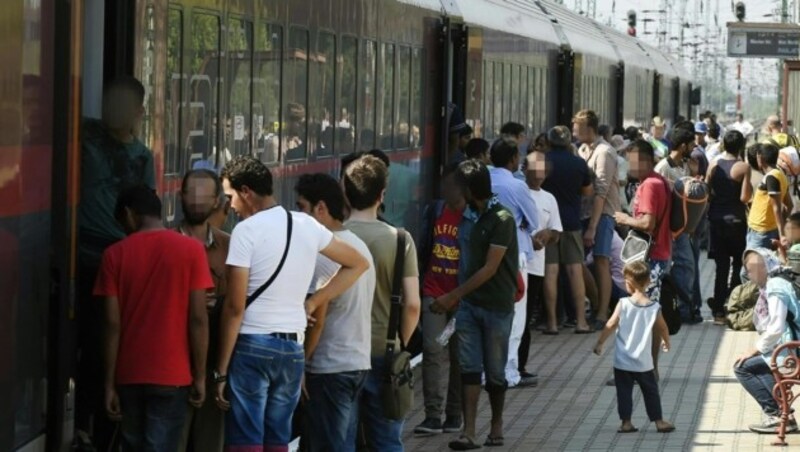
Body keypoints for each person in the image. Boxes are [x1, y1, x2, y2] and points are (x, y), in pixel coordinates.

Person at [215, 157, 369, 451]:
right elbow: (358, 264)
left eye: (230, 196)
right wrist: (313, 302)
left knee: (246, 439)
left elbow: (234, 309)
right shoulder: (306, 225)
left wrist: (220, 371)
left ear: (246, 191)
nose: (230, 206)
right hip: (292, 351)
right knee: (278, 439)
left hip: (253, 345)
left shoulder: (245, 232)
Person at [94, 186, 212, 450]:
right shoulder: (192, 250)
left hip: (129, 374)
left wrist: (109, 384)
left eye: (122, 222)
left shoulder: (114, 255)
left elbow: (112, 325)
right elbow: (198, 319)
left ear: (129, 214)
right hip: (174, 374)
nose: (123, 229)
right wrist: (201, 375)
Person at [76, 76, 156, 450]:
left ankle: (95, 425)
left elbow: (146, 214)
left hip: (114, 258)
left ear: (139, 112)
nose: (114, 111)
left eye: (124, 105)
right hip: (78, 250)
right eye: (110, 102)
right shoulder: (84, 134)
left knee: (102, 342)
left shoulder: (142, 157)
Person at [430, 160, 519, 450]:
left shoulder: (502, 219)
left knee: (494, 372)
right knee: (469, 367)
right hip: (468, 305)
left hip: (496, 306)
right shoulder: (466, 215)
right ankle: (468, 431)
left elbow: (489, 269)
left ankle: (496, 425)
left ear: (470, 189)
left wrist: (451, 296)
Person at [343, 155, 421, 451]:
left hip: (341, 354)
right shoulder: (400, 240)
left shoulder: (332, 237)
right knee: (387, 441)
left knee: (341, 441)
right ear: (381, 195)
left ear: (345, 193)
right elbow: (412, 304)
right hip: (386, 352)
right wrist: (400, 340)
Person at [294, 174, 377, 452]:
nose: (298, 215)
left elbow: (317, 320)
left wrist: (302, 365)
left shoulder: (324, 252)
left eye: (301, 207)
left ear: (320, 208)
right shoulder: (357, 245)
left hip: (328, 367)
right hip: (356, 362)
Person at [176, 170, 230, 452]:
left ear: (217, 201)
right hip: (174, 360)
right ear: (181, 196)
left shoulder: (228, 245)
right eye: (192, 194)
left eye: (204, 196)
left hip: (214, 361)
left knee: (209, 442)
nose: (197, 202)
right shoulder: (166, 243)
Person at [614, 139, 672, 382]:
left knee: (644, 316)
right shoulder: (659, 182)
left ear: (647, 160)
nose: (629, 165)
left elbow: (647, 223)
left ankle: (646, 371)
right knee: (649, 314)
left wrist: (625, 219)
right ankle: (648, 369)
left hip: (650, 259)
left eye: (633, 160)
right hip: (658, 257)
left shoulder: (649, 185)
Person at [593, 261, 675, 434]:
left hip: (622, 360)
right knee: (650, 391)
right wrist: (665, 342)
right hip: (644, 362)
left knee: (624, 392)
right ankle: (658, 421)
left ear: (628, 283)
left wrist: (600, 342)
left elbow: (610, 324)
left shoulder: (623, 303)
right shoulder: (654, 307)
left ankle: (626, 422)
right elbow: (662, 328)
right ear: (648, 282)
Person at [415, 163, 466, 435]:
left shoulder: (471, 216)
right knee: (433, 350)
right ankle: (432, 415)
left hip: (461, 299)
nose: (445, 190)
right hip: (434, 293)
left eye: (451, 185)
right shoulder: (435, 211)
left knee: (458, 356)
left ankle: (454, 414)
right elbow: (425, 247)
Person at [488, 138, 539, 386]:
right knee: (515, 314)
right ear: (513, 159)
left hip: (484, 254)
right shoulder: (517, 186)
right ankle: (508, 372)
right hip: (514, 254)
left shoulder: (484, 180)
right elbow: (534, 221)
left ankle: (486, 371)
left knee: (489, 311)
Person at [734, 248, 800, 434]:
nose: (747, 273)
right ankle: (782, 414)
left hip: (792, 352)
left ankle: (778, 415)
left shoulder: (776, 287)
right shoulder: (782, 278)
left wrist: (755, 349)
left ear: (764, 267)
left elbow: (776, 328)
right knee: (761, 364)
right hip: (789, 348)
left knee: (743, 367)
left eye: (750, 268)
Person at [541, 126, 593, 334]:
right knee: (575, 271)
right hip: (571, 222)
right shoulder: (579, 163)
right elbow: (588, 191)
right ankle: (581, 322)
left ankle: (552, 323)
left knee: (550, 272)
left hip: (546, 223)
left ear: (549, 141)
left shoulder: (542, 162)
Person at [519, 148, 563, 382]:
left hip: (536, 267)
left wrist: (547, 234)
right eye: (534, 168)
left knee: (526, 319)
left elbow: (557, 232)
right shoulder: (517, 192)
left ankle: (520, 366)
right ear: (524, 169)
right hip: (516, 265)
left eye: (543, 169)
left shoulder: (549, 198)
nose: (539, 173)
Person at [574, 109, 620, 330]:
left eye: (577, 128)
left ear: (589, 129)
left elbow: (601, 191)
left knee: (602, 260)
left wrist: (593, 227)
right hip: (584, 213)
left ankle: (602, 313)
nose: (574, 132)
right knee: (578, 261)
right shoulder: (583, 150)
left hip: (602, 215)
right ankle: (596, 303)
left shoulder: (604, 152)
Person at [655, 123, 698, 323]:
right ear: (682, 146)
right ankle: (674, 309)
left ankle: (684, 308)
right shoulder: (663, 168)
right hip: (668, 228)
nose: (693, 149)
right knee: (676, 267)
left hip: (682, 227)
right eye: (691, 145)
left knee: (686, 267)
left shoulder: (685, 166)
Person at [706, 131, 749, 325]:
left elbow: (707, 190)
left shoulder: (714, 163)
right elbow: (744, 197)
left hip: (716, 219)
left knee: (721, 266)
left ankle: (718, 313)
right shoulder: (743, 167)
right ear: (741, 146)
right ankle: (732, 307)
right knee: (738, 265)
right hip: (737, 221)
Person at [743, 143, 792, 250]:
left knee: (753, 264)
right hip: (762, 230)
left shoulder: (771, 177)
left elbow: (777, 208)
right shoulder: (780, 174)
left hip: (761, 232)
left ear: (760, 158)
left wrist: (781, 233)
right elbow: (790, 205)